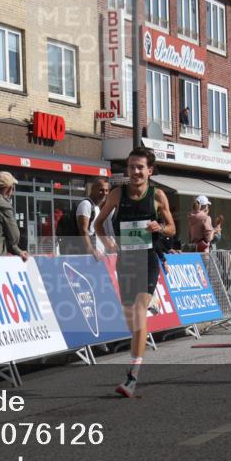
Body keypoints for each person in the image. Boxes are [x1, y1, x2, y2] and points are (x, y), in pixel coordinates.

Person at [93, 147, 175, 398]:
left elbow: (172, 228)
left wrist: (159, 226)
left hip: (148, 259)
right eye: (131, 167)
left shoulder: (158, 195)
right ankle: (152, 302)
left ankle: (131, 377)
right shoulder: (118, 194)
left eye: (140, 167)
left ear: (150, 170)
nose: (135, 172)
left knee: (138, 314)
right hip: (126, 259)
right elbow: (98, 223)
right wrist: (107, 242)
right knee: (131, 317)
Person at [75, 177, 110, 256]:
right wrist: (90, 249)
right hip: (85, 253)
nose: (104, 193)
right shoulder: (86, 204)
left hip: (95, 252)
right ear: (93, 189)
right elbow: (83, 230)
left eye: (106, 190)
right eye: (101, 190)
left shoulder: (96, 207)